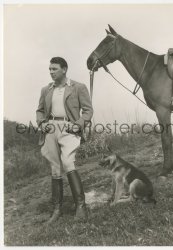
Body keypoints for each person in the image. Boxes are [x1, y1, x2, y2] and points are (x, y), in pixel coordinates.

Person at [36, 57, 93, 224]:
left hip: (69, 128)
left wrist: (79, 125)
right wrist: (42, 123)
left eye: (54, 69)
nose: (51, 72)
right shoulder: (46, 89)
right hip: (50, 128)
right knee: (55, 168)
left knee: (68, 163)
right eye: (50, 69)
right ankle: (57, 209)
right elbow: (39, 111)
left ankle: (81, 207)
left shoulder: (78, 87)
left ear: (64, 69)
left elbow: (88, 111)